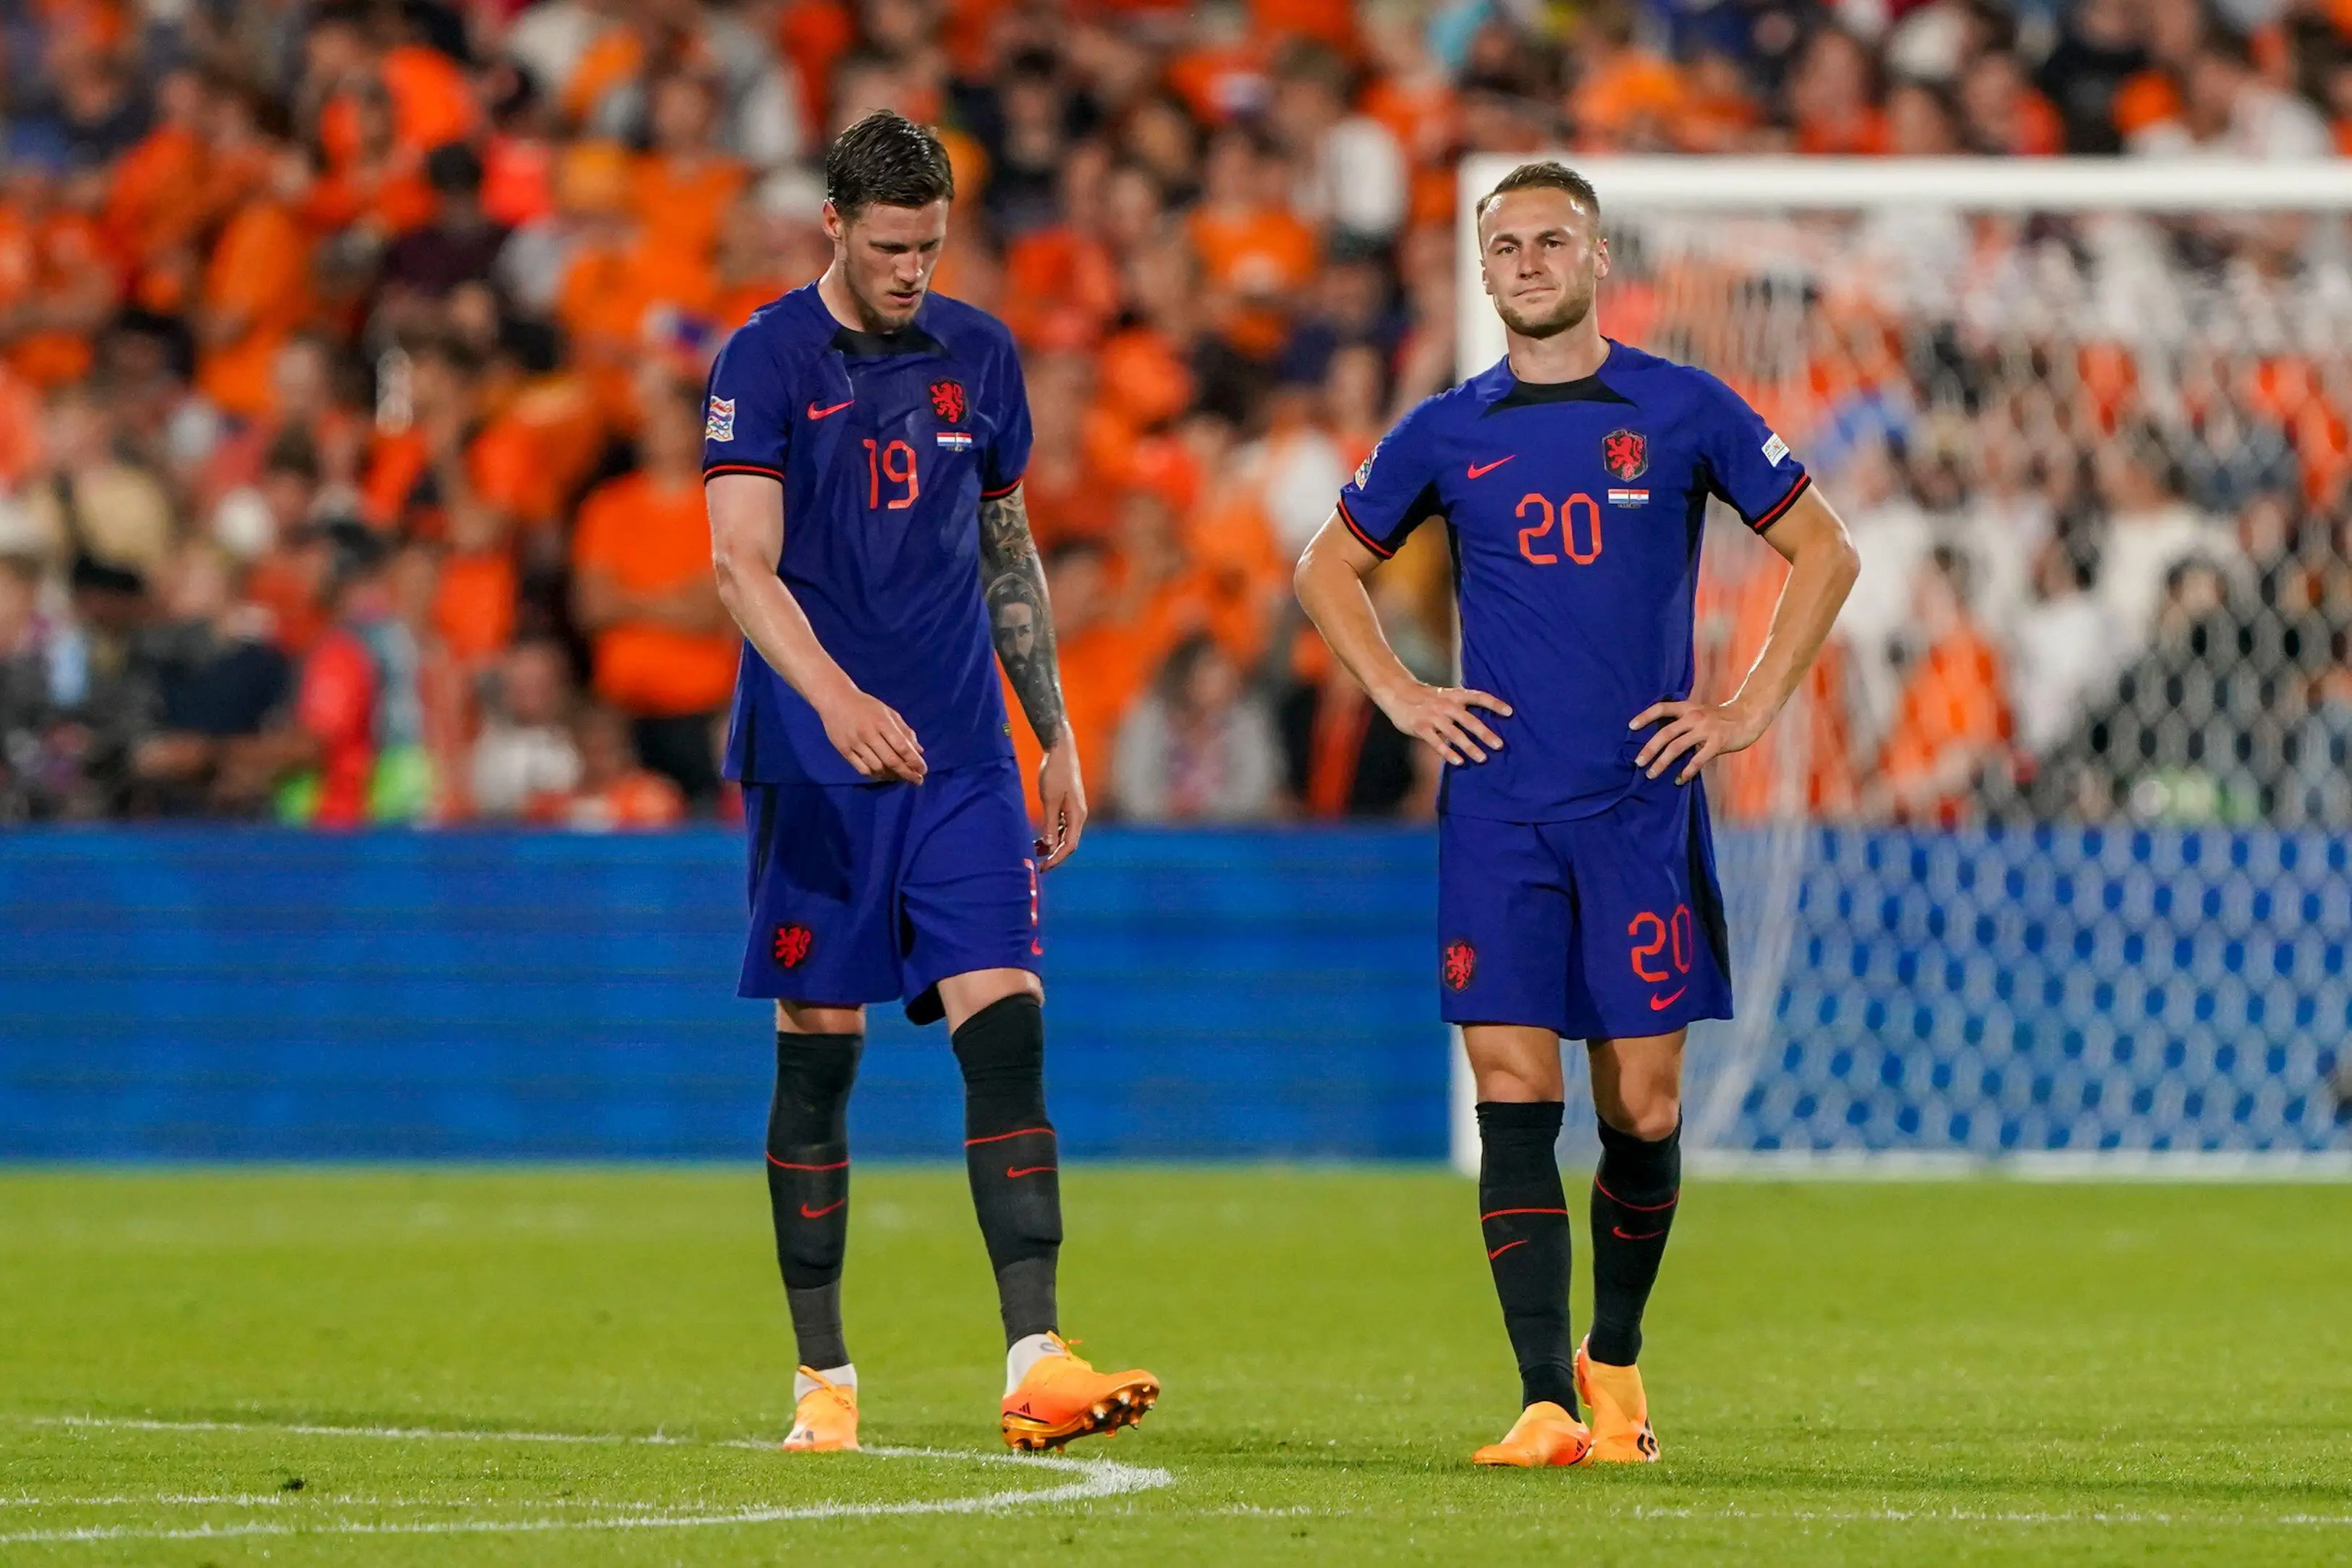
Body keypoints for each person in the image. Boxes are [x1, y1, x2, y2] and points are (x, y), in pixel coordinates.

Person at [1293, 161, 1859, 1468]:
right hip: (1498, 807)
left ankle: (1614, 1358)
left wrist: (1750, 705)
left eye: (1553, 241)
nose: (1528, 262)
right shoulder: (1443, 429)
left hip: (1635, 806)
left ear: (1598, 260)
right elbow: (1326, 563)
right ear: (1482, 271)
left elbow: (1824, 546)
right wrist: (1395, 691)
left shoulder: (1680, 409)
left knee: (1645, 1107)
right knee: (1509, 1086)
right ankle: (1545, 1396)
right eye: (1506, 246)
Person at [701, 111, 1157, 1457]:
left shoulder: (981, 355)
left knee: (1005, 1021)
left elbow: (1005, 549)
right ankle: (822, 1381)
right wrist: (835, 700)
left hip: (961, 751)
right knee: (819, 1049)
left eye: (931, 246)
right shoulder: (762, 358)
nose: (912, 270)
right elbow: (741, 563)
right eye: (891, 247)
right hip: (816, 761)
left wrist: (1052, 729)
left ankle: (1036, 1357)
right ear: (833, 227)